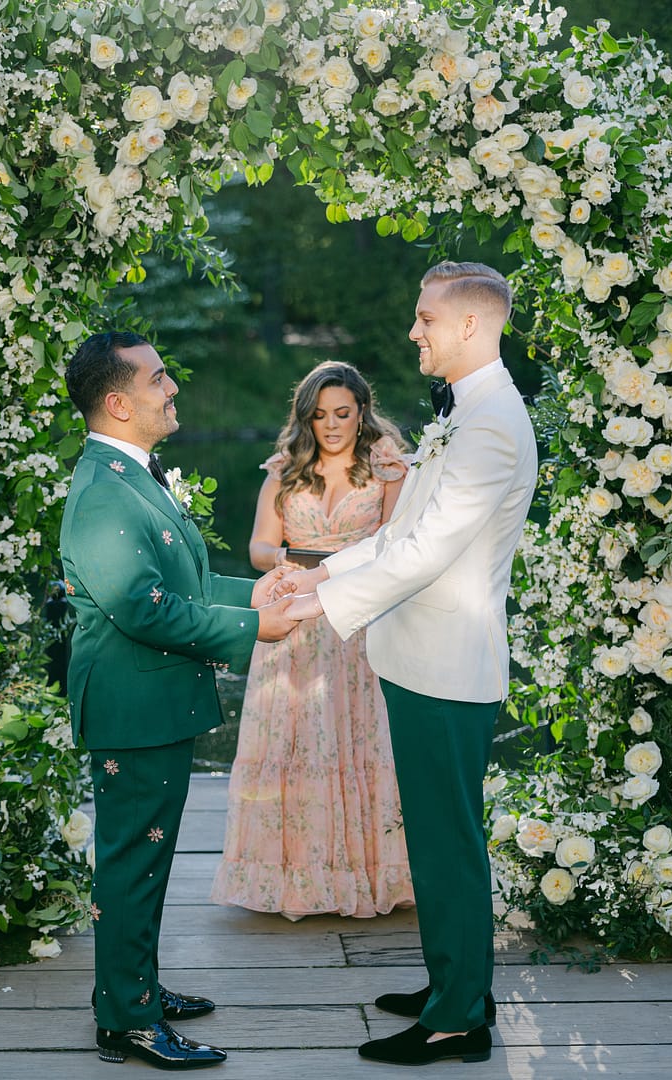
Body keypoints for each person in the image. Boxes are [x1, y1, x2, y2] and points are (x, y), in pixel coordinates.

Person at [279, 263, 538, 1067]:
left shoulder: (491, 422)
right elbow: (399, 536)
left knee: (446, 843)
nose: (414, 332)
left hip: (447, 668)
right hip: (419, 660)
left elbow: (428, 553)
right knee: (434, 836)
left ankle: (460, 1018)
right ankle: (450, 985)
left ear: (469, 325)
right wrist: (318, 573)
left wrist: (319, 609)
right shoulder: (468, 414)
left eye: (426, 319)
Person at [59, 331, 298, 1070]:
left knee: (148, 859)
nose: (173, 389)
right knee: (133, 862)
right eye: (159, 380)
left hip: (152, 701)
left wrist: (251, 592)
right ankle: (126, 1021)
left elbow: (178, 586)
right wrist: (255, 626)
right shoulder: (103, 492)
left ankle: (136, 988)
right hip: (133, 708)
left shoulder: (132, 474)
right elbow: (141, 607)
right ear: (118, 401)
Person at [211, 362, 416, 919]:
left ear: (362, 412)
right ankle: (294, 877)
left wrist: (330, 574)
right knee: (293, 743)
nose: (331, 425)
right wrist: (288, 562)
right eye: (320, 414)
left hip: (358, 621)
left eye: (343, 413)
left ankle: (369, 873)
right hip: (293, 618)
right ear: (306, 417)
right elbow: (257, 547)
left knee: (359, 741)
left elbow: (395, 547)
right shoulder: (285, 470)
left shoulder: (388, 469)